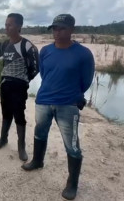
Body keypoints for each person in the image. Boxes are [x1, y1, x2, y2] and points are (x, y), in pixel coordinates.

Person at [22, 14, 95, 200]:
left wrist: (73, 94)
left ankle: (72, 183)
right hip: (44, 100)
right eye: (54, 28)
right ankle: (38, 161)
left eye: (61, 28)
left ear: (71, 29)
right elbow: (45, 74)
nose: (57, 32)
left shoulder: (83, 53)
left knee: (71, 144)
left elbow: (86, 80)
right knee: (40, 133)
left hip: (68, 104)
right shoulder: (45, 51)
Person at [0, 13, 39, 162]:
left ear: (19, 27)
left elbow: (36, 68)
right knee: (5, 112)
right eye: (6, 24)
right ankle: (3, 138)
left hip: (19, 86)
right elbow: (4, 62)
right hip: (5, 84)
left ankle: (21, 147)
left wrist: (24, 80)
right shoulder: (5, 44)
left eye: (9, 25)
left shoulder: (27, 45)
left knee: (19, 115)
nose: (6, 27)